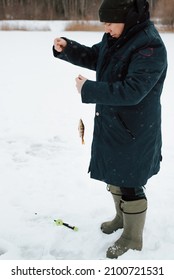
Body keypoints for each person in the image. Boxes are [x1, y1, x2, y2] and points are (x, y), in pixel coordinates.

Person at [53, 0, 167, 259]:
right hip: (113, 122)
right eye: (104, 24)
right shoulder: (118, 37)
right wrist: (68, 48)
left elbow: (133, 91)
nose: (106, 29)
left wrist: (89, 90)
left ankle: (132, 237)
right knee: (115, 175)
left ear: (127, 19)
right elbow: (98, 57)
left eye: (109, 23)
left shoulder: (149, 45)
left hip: (135, 129)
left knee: (131, 183)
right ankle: (121, 218)